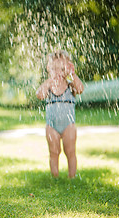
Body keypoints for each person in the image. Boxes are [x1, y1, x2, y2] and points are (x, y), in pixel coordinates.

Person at [36, 50, 84, 178]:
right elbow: (39, 95)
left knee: (70, 151)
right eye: (54, 69)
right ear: (48, 69)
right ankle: (55, 177)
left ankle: (72, 177)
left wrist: (72, 75)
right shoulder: (49, 85)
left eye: (62, 69)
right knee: (53, 152)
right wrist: (48, 81)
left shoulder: (70, 84)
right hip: (52, 126)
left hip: (68, 125)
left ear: (68, 68)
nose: (58, 72)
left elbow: (80, 89)